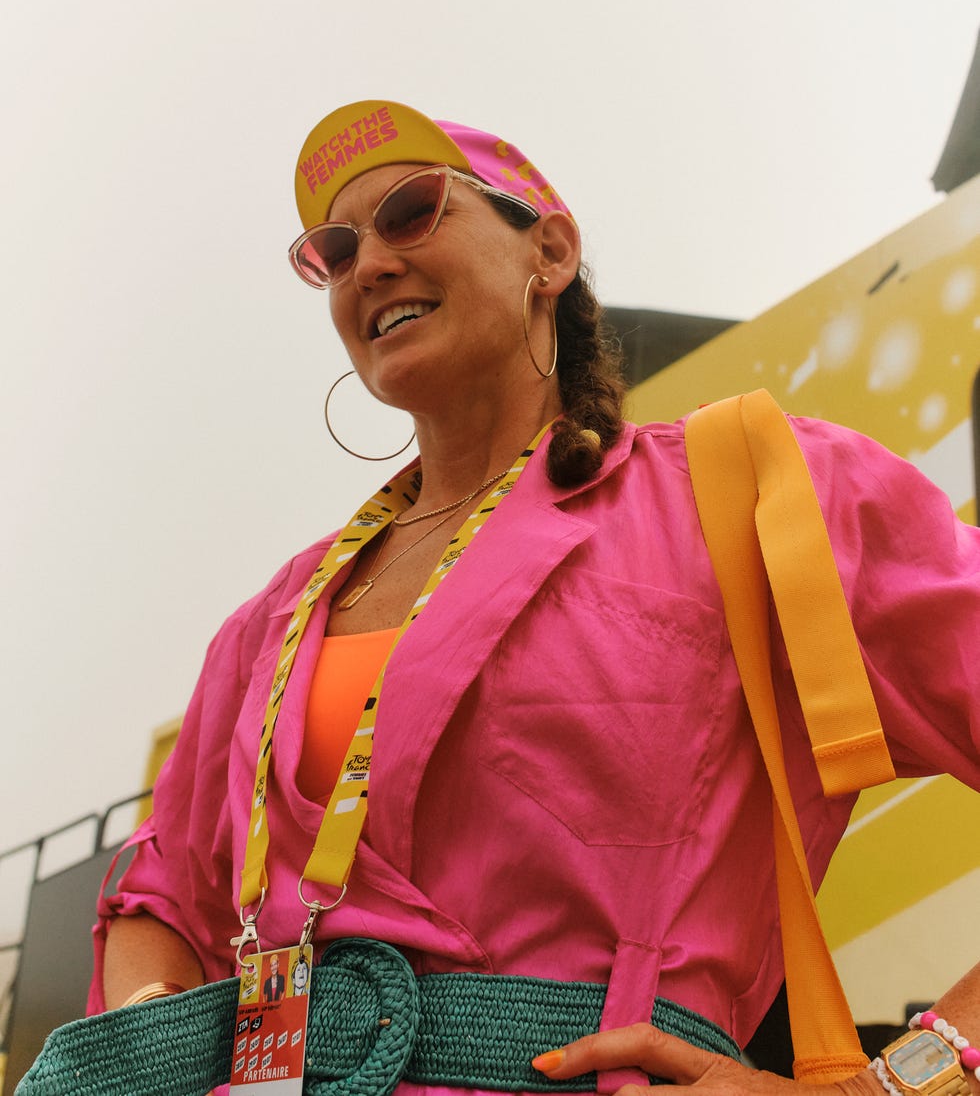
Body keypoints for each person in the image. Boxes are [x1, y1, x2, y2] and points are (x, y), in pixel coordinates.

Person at [91, 99, 980, 1096]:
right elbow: (157, 893)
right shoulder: (270, 619)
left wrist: (907, 1080)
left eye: (411, 211)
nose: (367, 264)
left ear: (547, 251)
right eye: (333, 251)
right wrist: (152, 1038)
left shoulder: (753, 494)